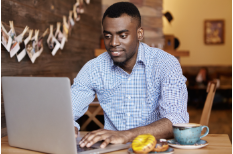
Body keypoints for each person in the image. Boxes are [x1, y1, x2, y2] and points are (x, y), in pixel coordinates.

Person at [71, 2, 189, 149]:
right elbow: (68, 111)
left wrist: (126, 134)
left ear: (140, 34)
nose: (113, 43)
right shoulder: (94, 68)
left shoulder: (165, 64)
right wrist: (67, 125)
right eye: (108, 36)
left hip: (154, 150)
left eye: (123, 35)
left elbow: (177, 120)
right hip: (111, 150)